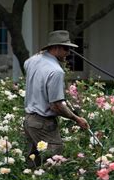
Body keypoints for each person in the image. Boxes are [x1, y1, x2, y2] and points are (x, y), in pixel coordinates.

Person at [23, 30, 89, 167]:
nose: (69, 52)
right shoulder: (56, 71)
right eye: (66, 48)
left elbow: (28, 64)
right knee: (53, 162)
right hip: (43, 123)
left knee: (33, 165)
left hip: (29, 121)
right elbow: (56, 106)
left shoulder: (31, 61)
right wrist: (77, 119)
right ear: (56, 47)